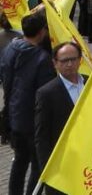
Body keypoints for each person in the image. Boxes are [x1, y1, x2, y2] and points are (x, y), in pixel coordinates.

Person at [0, 12, 56, 195]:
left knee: (19, 161)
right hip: (33, 120)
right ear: (42, 32)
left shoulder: (10, 48)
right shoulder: (43, 59)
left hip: (14, 114)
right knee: (38, 165)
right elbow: (44, 95)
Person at [35, 42, 87, 195]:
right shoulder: (46, 93)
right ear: (55, 63)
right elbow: (41, 137)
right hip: (64, 165)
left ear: (80, 60)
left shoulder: (90, 82)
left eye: (73, 59)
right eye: (64, 61)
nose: (70, 64)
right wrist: (48, 173)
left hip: (88, 159)